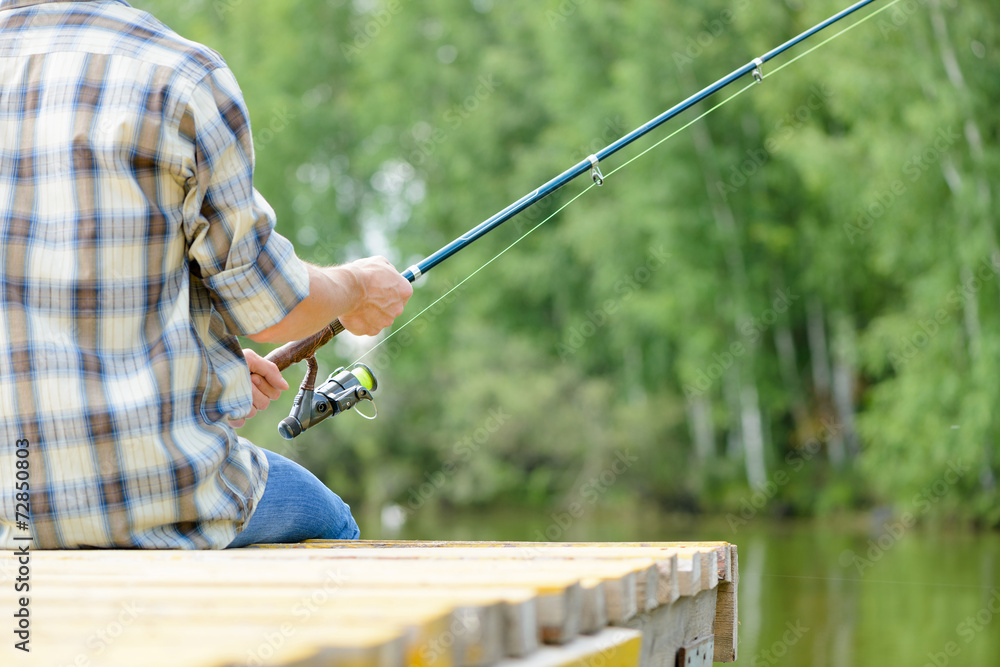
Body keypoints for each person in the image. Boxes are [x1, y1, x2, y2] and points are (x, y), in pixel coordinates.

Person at [0, 0, 412, 549]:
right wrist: (357, 287)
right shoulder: (180, 75)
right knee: (333, 522)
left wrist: (198, 362)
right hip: (157, 497)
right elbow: (272, 308)